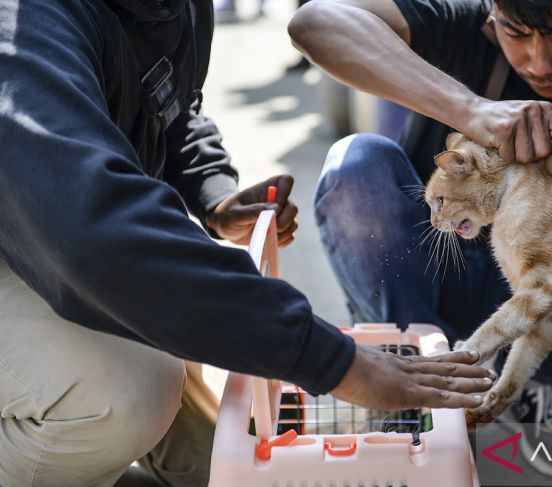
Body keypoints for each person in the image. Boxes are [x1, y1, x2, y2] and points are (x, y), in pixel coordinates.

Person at [0, 1, 495, 485]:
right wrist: (336, 362)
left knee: (212, 457)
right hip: (29, 247)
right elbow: (93, 235)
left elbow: (172, 104)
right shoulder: (27, 28)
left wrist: (213, 193)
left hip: (65, 235)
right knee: (125, 396)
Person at [289, 0, 552, 473]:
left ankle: (545, 385)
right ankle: (408, 390)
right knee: (355, 162)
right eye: (517, 33)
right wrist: (470, 109)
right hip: (422, 278)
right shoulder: (467, 29)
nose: (538, 62)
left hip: (540, 292)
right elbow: (312, 21)